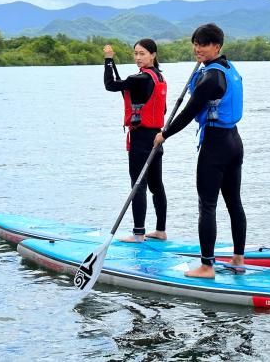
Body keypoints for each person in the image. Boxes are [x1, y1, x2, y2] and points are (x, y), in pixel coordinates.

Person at [153, 23, 245, 278]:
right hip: (234, 142)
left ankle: (206, 266)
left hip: (216, 145)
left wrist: (164, 134)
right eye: (195, 44)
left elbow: (188, 113)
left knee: (207, 205)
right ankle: (238, 258)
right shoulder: (228, 69)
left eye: (203, 44)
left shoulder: (211, 77)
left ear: (217, 46)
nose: (197, 48)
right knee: (233, 202)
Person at [104, 39, 168, 243]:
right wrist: (113, 63)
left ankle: (138, 233)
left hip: (141, 139)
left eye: (142, 54)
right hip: (157, 137)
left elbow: (110, 85)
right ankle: (160, 230)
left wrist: (107, 60)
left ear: (153, 55)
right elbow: (162, 108)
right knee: (156, 185)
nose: (138, 58)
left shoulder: (139, 78)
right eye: (135, 54)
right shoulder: (158, 77)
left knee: (138, 184)